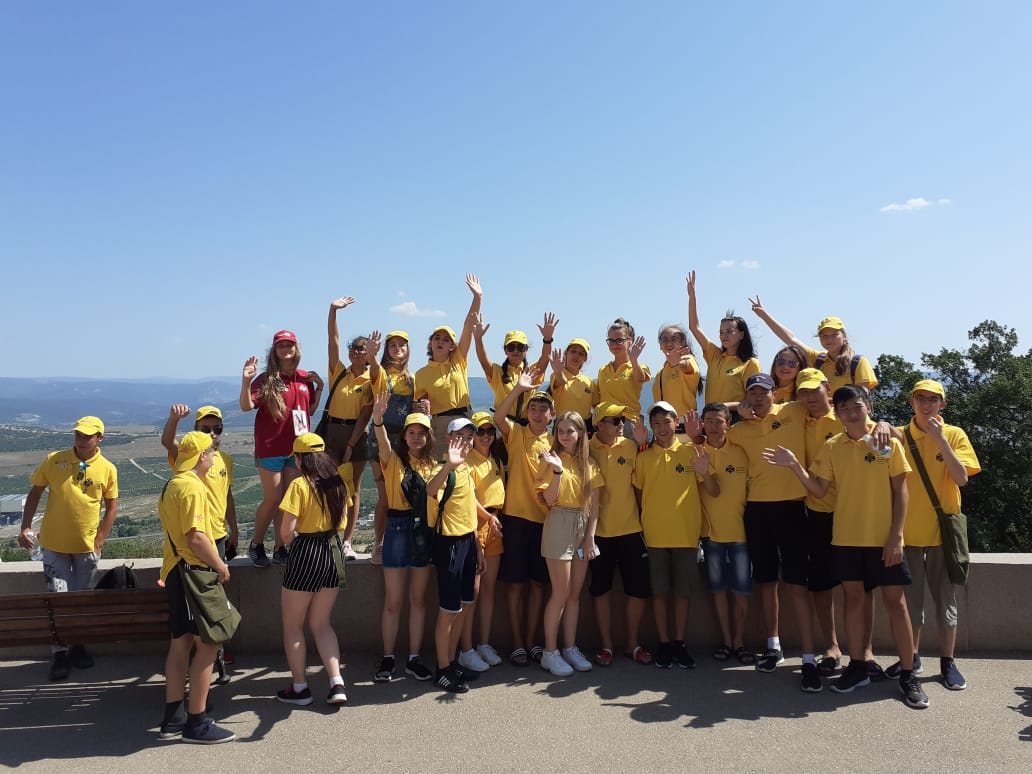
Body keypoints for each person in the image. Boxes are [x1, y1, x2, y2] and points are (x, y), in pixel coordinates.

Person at [763, 384, 929, 709]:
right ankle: (857, 667)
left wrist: (896, 536)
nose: (852, 413)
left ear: (868, 407)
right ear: (837, 414)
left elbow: (902, 491)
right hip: (846, 538)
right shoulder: (832, 447)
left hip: (883, 539)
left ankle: (909, 674)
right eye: (845, 409)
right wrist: (795, 465)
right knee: (853, 601)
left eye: (857, 407)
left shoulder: (885, 442)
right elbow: (819, 490)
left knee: (896, 604)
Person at [880, 379, 981, 691]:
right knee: (911, 606)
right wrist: (881, 423)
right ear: (911, 402)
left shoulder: (954, 434)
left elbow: (962, 478)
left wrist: (940, 441)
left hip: (942, 536)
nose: (926, 404)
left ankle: (947, 662)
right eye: (920, 398)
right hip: (907, 535)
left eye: (933, 399)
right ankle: (911, 658)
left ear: (942, 404)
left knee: (946, 604)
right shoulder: (899, 435)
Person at [726, 374, 819, 691]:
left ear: (774, 394)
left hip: (793, 508)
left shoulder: (794, 410)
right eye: (752, 393)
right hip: (757, 511)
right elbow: (707, 433)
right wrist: (736, 410)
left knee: (797, 584)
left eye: (763, 392)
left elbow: (827, 403)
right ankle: (773, 645)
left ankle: (808, 657)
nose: (758, 397)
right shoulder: (738, 430)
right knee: (766, 582)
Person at [19, 416, 119, 681]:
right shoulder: (54, 460)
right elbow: (35, 493)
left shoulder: (108, 468)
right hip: (54, 546)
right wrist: (25, 526)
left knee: (82, 601)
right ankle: (60, 653)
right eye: (78, 434)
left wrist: (100, 540)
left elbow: (112, 507)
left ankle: (78, 645)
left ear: (100, 438)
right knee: (58, 600)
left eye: (87, 436)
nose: (81, 440)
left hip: (86, 548)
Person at [156, 431, 235, 743]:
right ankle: (197, 722)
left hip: (175, 571)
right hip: (193, 574)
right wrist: (220, 565)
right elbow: (196, 537)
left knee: (180, 644)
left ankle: (173, 717)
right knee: (209, 645)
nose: (214, 457)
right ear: (202, 455)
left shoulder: (173, 483)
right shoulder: (192, 487)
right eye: (211, 453)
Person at [633, 401, 718, 669]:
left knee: (682, 593)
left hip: (686, 534)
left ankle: (679, 643)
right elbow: (639, 495)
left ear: (676, 422)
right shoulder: (643, 457)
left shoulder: (692, 452)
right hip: (655, 536)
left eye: (666, 422)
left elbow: (714, 490)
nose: (661, 428)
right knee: (659, 593)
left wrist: (705, 472)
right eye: (656, 423)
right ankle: (664, 643)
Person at [161, 404, 238, 683]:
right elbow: (167, 442)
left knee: (214, 600)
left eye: (217, 428)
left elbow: (227, 496)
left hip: (217, 536)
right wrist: (173, 419)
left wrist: (234, 530)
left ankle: (215, 656)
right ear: (196, 429)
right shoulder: (188, 457)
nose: (212, 433)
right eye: (206, 429)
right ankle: (203, 662)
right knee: (198, 606)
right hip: (196, 538)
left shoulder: (224, 460)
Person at [274, 433, 351, 706]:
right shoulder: (338, 482)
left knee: (293, 626)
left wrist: (293, 545)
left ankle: (300, 687)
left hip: (306, 550)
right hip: (333, 550)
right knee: (321, 624)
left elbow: (286, 532)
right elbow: (342, 523)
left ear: (299, 459)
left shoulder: (299, 485)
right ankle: (336, 682)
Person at [240, 330, 324, 567]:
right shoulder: (266, 379)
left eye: (290, 345)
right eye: (281, 346)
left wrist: (319, 388)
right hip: (270, 448)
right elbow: (246, 406)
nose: (286, 349)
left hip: (296, 450)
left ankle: (280, 548)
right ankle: (256, 544)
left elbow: (308, 412)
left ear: (296, 349)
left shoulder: (304, 378)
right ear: (275, 351)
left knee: (288, 501)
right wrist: (246, 382)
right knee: (273, 498)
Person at [370, 397, 437, 684]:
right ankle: (388, 657)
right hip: (397, 529)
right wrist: (377, 419)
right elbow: (382, 442)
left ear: (428, 436)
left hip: (423, 531)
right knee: (393, 601)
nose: (417, 437)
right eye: (412, 432)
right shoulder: (393, 461)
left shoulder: (433, 465)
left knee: (418, 600)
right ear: (404, 436)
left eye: (422, 432)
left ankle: (413, 657)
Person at [494, 367, 555, 667]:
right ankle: (518, 643)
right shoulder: (517, 434)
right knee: (516, 585)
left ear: (552, 416)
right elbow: (498, 418)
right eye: (533, 408)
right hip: (516, 519)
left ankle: (532, 642)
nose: (538, 413)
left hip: (546, 521)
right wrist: (518, 389)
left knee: (538, 585)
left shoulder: (557, 441)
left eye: (544, 409)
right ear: (527, 413)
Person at [536, 412, 604, 676]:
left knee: (575, 594)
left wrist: (590, 538)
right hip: (559, 522)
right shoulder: (550, 459)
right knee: (561, 593)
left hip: (582, 525)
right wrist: (557, 471)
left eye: (570, 431)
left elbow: (594, 505)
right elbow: (550, 498)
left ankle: (569, 647)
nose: (565, 435)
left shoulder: (589, 463)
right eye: (560, 430)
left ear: (580, 433)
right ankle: (550, 652)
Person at [588, 402, 653, 666]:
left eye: (622, 420)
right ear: (600, 424)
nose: (621, 425)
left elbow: (643, 480)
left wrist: (644, 443)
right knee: (600, 590)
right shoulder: (586, 449)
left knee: (638, 591)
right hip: (598, 533)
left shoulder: (631, 446)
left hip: (631, 530)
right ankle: (606, 646)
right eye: (615, 421)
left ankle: (632, 644)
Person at [426, 420, 485, 693]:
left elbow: (468, 509)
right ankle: (442, 670)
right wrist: (448, 465)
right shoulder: (442, 468)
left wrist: (478, 547)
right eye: (459, 436)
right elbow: (430, 490)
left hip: (467, 543)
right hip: (448, 544)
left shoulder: (466, 468)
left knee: (463, 605)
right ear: (448, 437)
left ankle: (451, 662)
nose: (465, 441)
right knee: (449, 611)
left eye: (469, 437)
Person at [697, 403, 753, 664]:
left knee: (741, 590)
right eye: (708, 421)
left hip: (741, 533)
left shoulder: (742, 451)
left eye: (719, 421)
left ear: (728, 423)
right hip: (711, 535)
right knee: (718, 590)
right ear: (702, 424)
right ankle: (727, 640)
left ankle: (739, 641)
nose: (714, 426)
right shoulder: (696, 452)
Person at [365, 329, 423, 565]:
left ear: (408, 349)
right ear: (387, 350)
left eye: (402, 345)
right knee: (385, 494)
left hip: (404, 440)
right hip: (380, 436)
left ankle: (403, 540)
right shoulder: (381, 374)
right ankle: (379, 543)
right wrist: (371, 355)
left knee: (404, 492)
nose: (398, 349)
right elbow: (374, 369)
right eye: (393, 345)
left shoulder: (412, 379)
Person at [325, 296, 374, 561]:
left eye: (361, 348)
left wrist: (351, 445)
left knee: (353, 490)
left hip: (355, 435)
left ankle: (346, 541)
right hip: (331, 432)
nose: (355, 351)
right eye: (353, 347)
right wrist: (333, 311)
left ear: (369, 354)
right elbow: (332, 340)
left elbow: (365, 417)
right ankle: (328, 534)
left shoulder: (371, 380)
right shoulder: (339, 372)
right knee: (328, 486)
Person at [414, 274, 483, 458]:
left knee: (467, 465)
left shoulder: (458, 360)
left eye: (446, 340)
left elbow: (468, 326)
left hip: (465, 419)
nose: (440, 342)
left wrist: (477, 297)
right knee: (442, 466)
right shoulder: (421, 374)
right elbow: (418, 405)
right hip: (440, 425)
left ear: (452, 346)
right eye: (437, 338)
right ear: (430, 343)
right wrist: (420, 407)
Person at [457, 411, 506, 671]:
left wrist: (493, 519)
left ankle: (483, 644)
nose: (486, 436)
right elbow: (469, 499)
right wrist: (487, 520)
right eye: (481, 431)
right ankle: (466, 648)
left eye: (490, 431)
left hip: (495, 525)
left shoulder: (496, 460)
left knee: (488, 591)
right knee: (471, 593)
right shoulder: (467, 462)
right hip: (474, 526)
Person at [749, 299, 877, 393]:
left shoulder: (858, 362)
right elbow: (790, 339)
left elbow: (861, 395)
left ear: (844, 336)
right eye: (824, 336)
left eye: (834, 335)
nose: (829, 339)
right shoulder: (818, 360)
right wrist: (764, 315)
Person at [686, 271, 760, 414]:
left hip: (735, 420)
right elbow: (694, 327)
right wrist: (692, 297)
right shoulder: (714, 355)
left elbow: (752, 401)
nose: (723, 336)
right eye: (721, 332)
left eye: (729, 331)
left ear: (741, 334)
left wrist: (723, 406)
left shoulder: (750, 363)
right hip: (711, 419)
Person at [473, 313, 557, 423]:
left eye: (520, 347)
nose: (516, 351)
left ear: (526, 349)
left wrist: (547, 339)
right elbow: (483, 361)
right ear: (505, 350)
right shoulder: (498, 372)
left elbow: (545, 359)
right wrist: (478, 339)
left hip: (526, 426)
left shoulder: (531, 372)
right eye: (511, 347)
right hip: (504, 425)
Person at [597, 318, 650, 434]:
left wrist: (634, 360)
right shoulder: (603, 370)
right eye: (611, 341)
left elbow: (640, 378)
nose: (614, 345)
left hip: (629, 423)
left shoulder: (638, 366)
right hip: (606, 422)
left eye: (619, 340)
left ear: (630, 341)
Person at [652, 324, 702, 431]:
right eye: (664, 339)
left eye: (674, 339)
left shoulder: (689, 360)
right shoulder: (660, 373)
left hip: (686, 426)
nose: (669, 343)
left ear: (683, 343)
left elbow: (686, 367)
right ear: (660, 345)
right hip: (665, 427)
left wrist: (681, 361)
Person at [547, 338, 598, 426]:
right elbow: (561, 381)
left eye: (581, 354)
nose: (576, 356)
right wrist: (558, 371)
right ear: (566, 353)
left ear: (585, 359)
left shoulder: (589, 382)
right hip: (563, 426)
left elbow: (597, 406)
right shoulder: (556, 375)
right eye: (573, 351)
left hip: (585, 426)